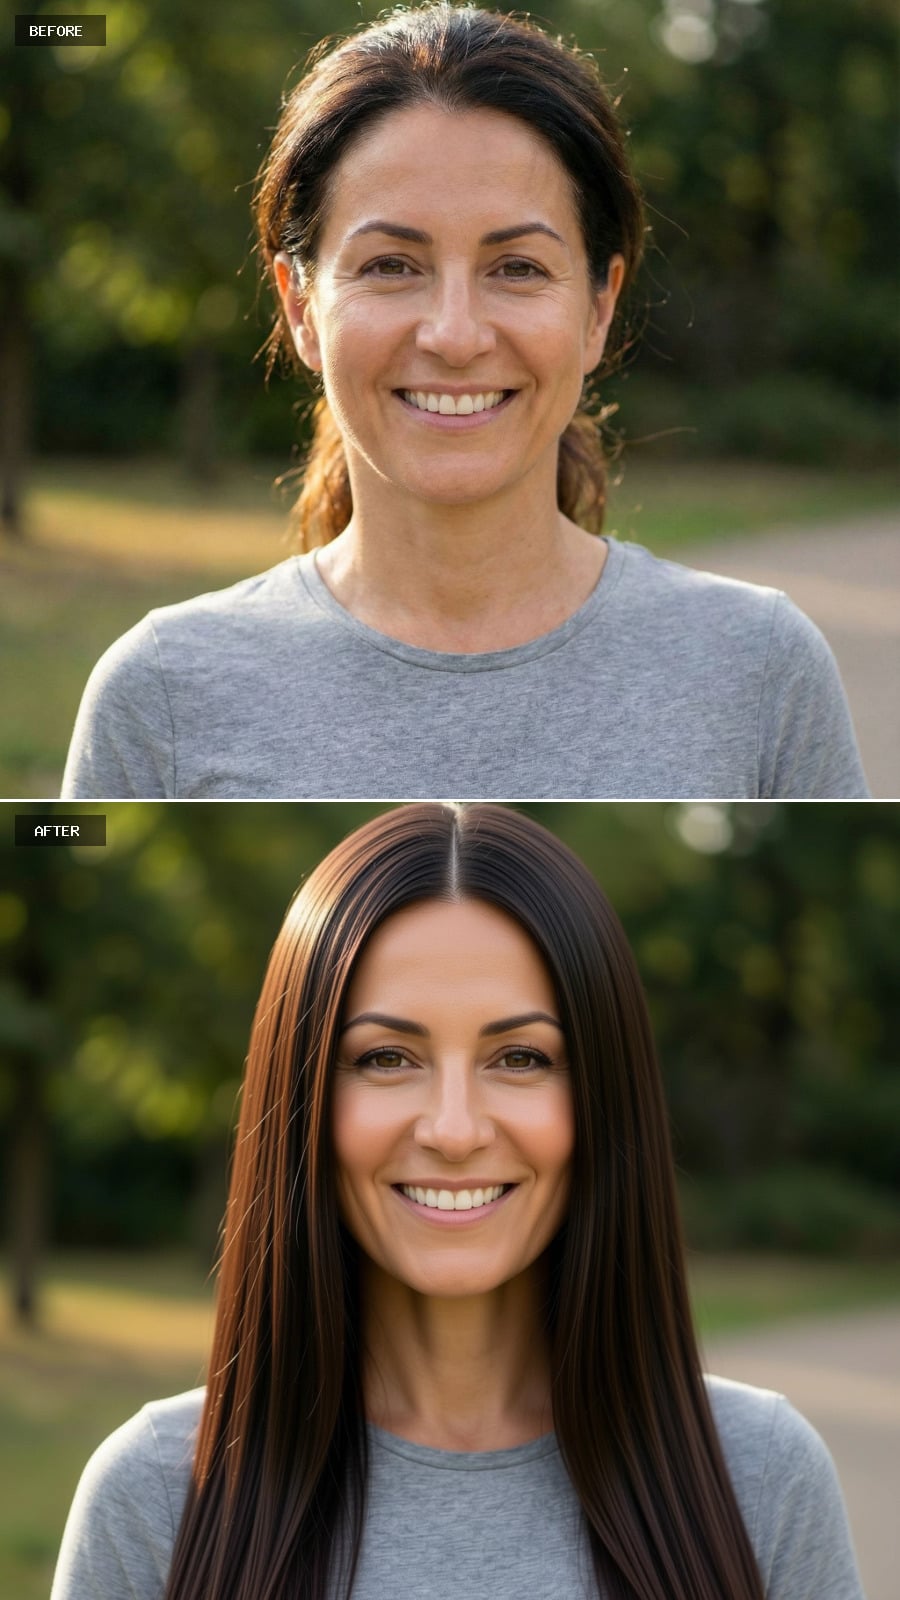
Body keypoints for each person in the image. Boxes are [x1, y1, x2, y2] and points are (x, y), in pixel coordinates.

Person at [51, 803, 864, 1600]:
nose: (452, 1129)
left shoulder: (760, 1478)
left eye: (519, 1056)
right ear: (299, 1097)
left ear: (604, 1098)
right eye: (385, 1058)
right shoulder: (156, 1495)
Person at [60, 4, 867, 801]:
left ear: (597, 309)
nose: (454, 334)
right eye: (390, 266)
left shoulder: (758, 667)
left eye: (516, 268)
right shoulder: (161, 693)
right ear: (300, 308)